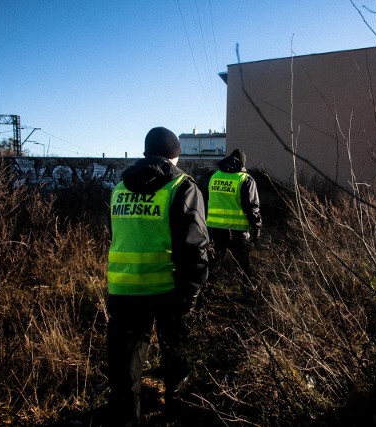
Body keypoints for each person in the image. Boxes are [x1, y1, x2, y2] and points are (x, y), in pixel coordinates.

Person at [105, 126, 209, 426]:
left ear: (145, 153)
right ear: (175, 155)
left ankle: (127, 420)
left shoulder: (119, 188)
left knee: (125, 370)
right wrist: (192, 291)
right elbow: (196, 246)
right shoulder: (182, 187)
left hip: (124, 291)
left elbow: (117, 235)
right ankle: (177, 414)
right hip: (168, 291)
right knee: (176, 359)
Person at [205, 148, 262, 284]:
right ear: (242, 163)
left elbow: (205, 200)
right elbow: (252, 207)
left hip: (213, 229)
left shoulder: (214, 177)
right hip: (237, 231)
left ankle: (204, 296)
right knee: (243, 266)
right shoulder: (245, 179)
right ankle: (248, 294)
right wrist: (256, 227)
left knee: (212, 264)